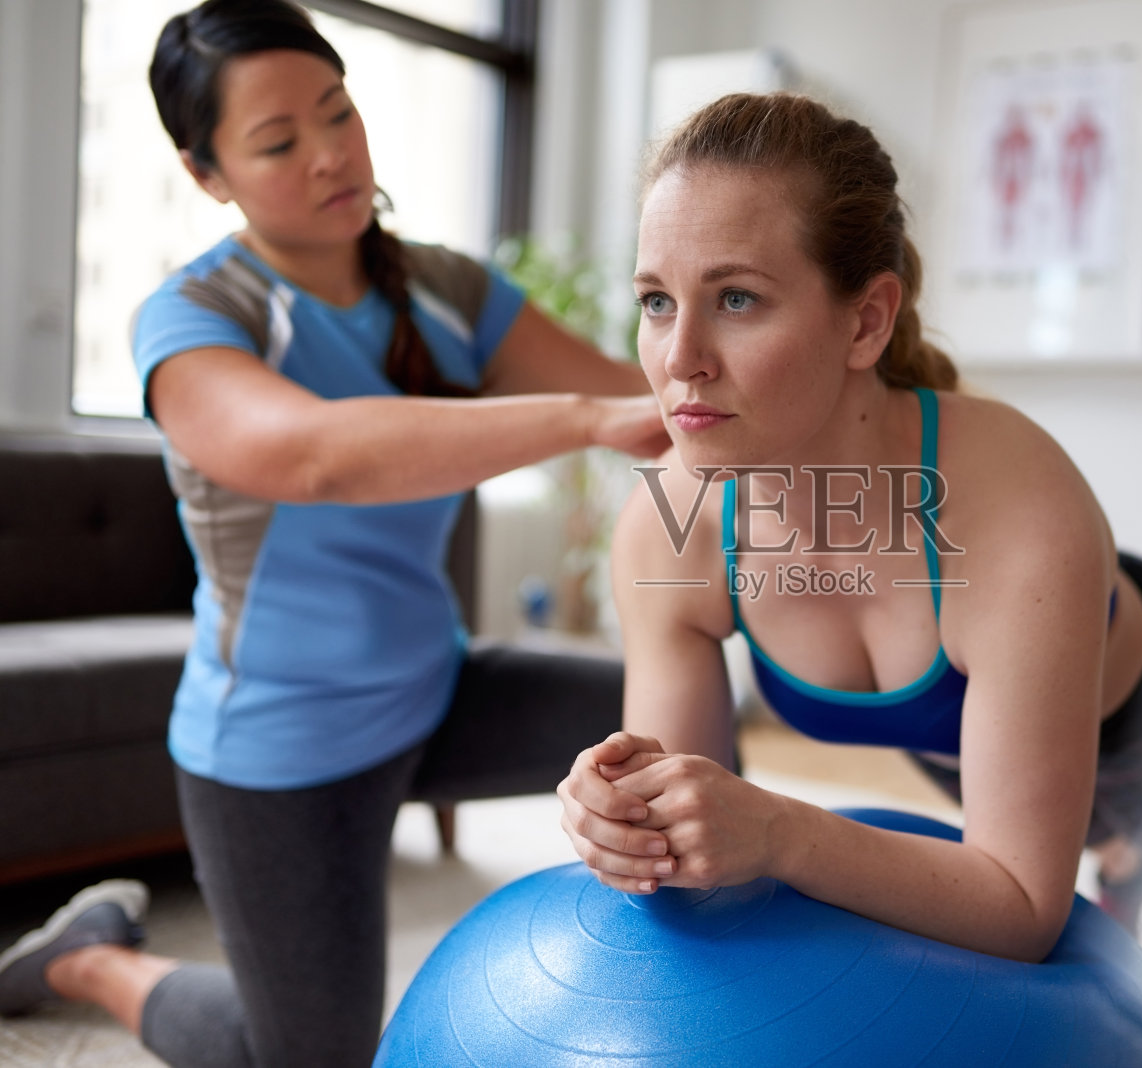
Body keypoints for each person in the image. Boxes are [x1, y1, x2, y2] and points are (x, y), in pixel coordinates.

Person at [0, 2, 669, 1065]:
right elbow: (313, 455)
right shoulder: (192, 318)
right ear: (206, 173)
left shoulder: (447, 291)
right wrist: (588, 426)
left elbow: (654, 405)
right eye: (277, 142)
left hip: (436, 688)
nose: (329, 156)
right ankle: (94, 959)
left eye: (338, 113)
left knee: (682, 731)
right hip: (280, 749)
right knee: (310, 1055)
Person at [558, 91, 1142, 1014]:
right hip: (964, 737)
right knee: (1075, 837)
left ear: (867, 321)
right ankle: (1121, 863)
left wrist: (782, 832)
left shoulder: (1017, 515)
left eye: (736, 299)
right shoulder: (665, 531)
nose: (680, 356)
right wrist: (623, 821)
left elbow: (1021, 907)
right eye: (654, 301)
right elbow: (686, 850)